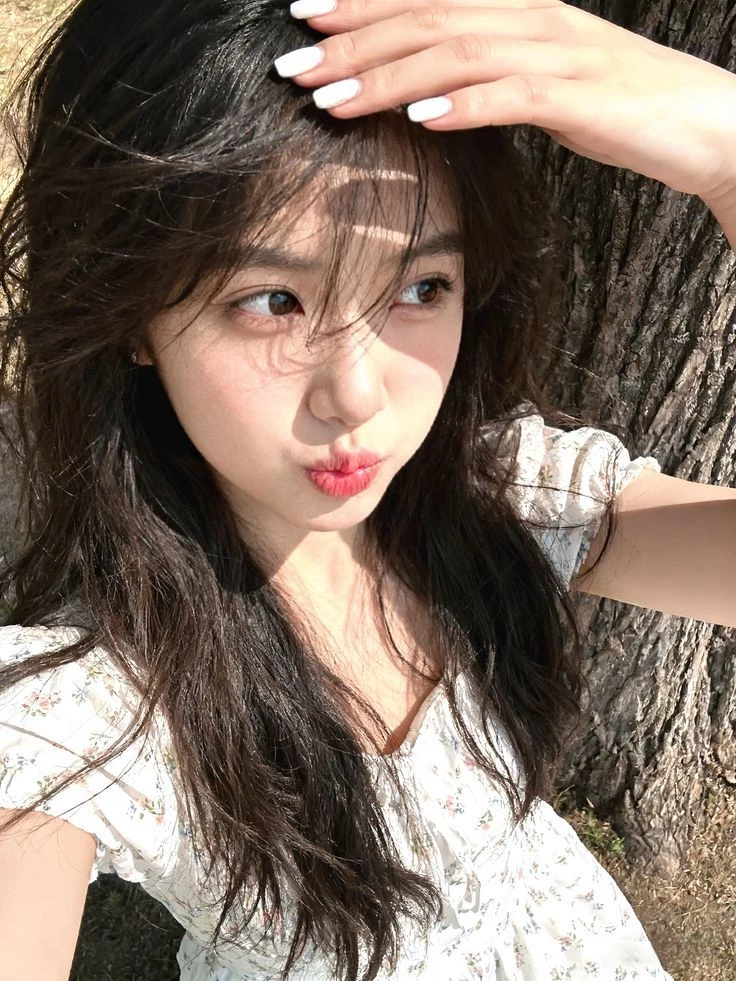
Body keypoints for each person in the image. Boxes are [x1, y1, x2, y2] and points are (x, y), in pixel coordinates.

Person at [0, 0, 734, 978]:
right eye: (272, 301)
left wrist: (728, 154)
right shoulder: (94, 712)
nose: (356, 395)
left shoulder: (500, 500)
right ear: (130, 311)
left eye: (419, 287)